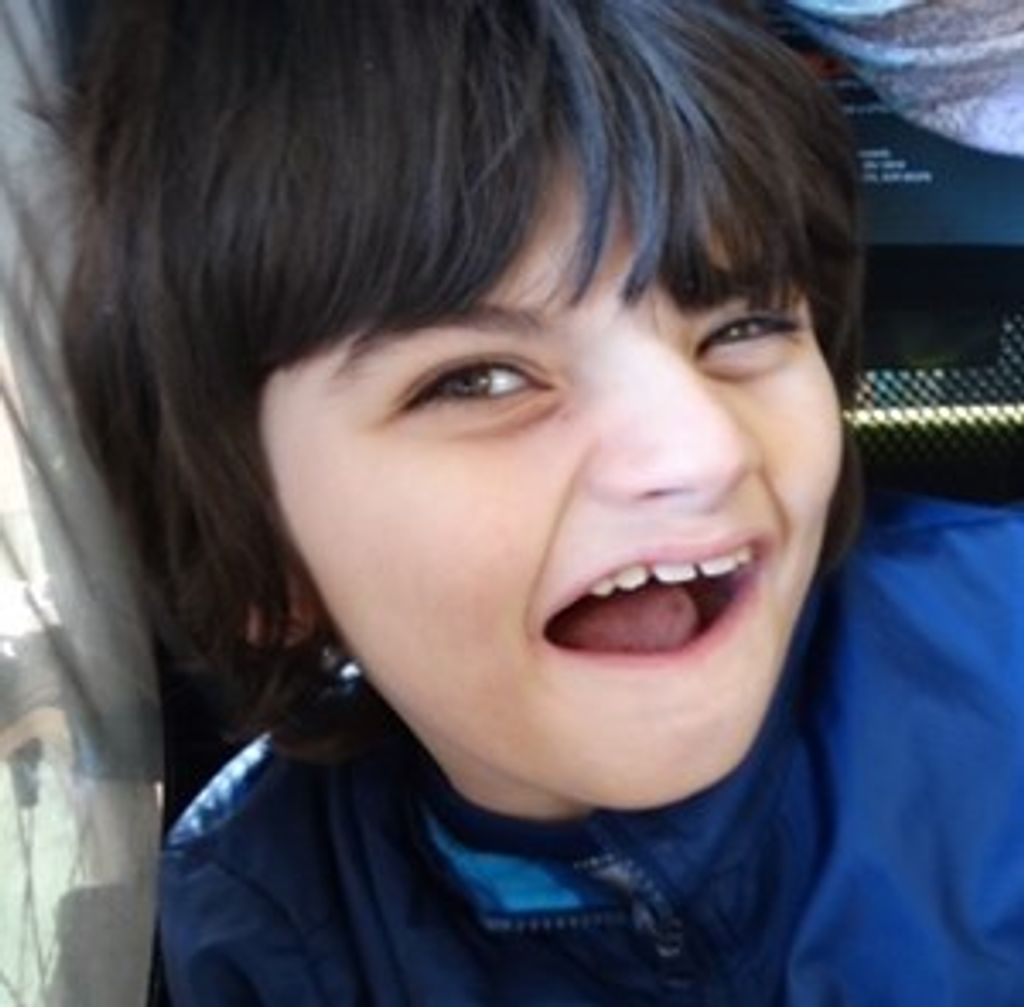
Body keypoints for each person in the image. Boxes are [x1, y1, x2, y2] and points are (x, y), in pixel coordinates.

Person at [57, 1, 1024, 1003]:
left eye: (741, 327)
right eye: (477, 380)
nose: (703, 450)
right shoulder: (267, 914)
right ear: (262, 556)